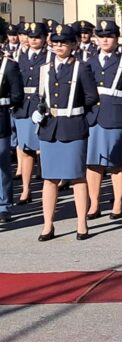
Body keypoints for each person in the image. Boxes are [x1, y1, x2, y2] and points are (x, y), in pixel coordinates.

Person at [33, 24, 99, 240]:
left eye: (64, 42)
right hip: (50, 127)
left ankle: (82, 223)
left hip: (72, 126)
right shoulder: (45, 68)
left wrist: (77, 113)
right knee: (49, 178)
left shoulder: (81, 67)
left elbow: (91, 96)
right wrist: (38, 111)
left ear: (73, 44)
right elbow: (39, 96)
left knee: (77, 177)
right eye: (56, 42)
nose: (59, 46)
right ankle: (47, 224)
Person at [85, 20, 122, 221]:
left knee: (116, 163)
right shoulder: (89, 62)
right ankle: (94, 203)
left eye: (108, 36)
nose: (104, 40)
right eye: (101, 37)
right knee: (93, 163)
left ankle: (118, 202)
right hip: (93, 117)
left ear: (116, 39)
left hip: (116, 117)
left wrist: (120, 101)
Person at [12, 22, 50, 206]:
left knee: (44, 150)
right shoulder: (20, 56)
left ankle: (48, 188)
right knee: (26, 150)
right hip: (22, 107)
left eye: (37, 37)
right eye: (31, 36)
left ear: (44, 39)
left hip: (41, 106)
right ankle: (26, 189)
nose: (33, 40)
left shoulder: (49, 56)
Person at [0, 45, 24, 223]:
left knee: (2, 164)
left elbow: (17, 96)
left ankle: (4, 205)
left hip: (1, 120)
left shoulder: (8, 66)